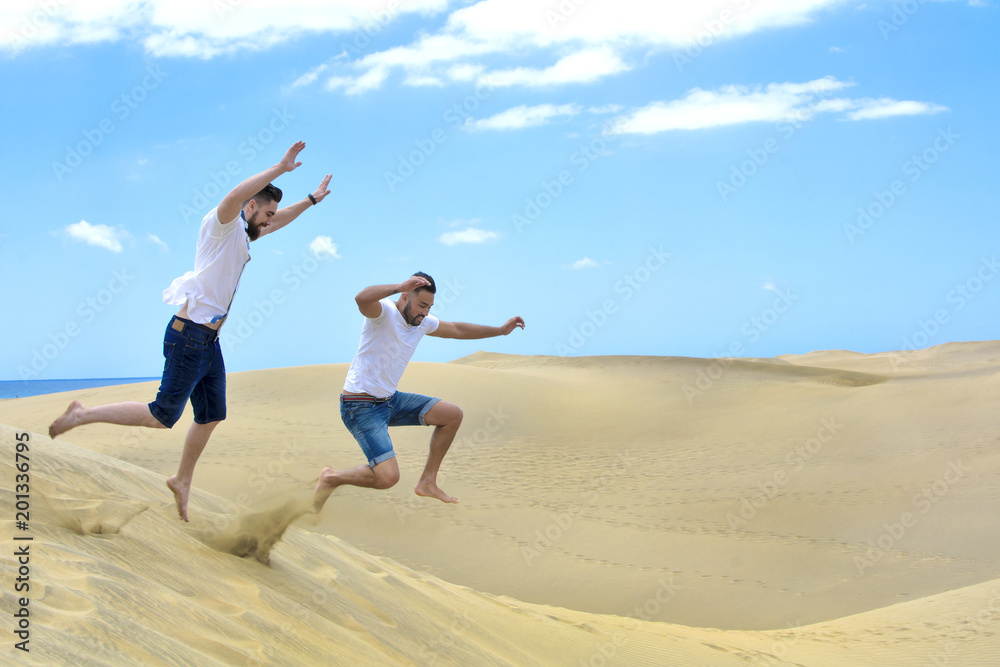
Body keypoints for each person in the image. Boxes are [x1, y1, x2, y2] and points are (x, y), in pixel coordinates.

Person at [48, 141, 332, 521]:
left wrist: (311, 200)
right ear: (250, 205)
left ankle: (182, 479)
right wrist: (280, 168)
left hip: (208, 342)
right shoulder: (221, 225)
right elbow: (234, 195)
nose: (269, 218)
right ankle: (83, 414)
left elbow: (278, 222)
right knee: (162, 415)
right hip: (189, 337)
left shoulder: (245, 235)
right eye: (265, 210)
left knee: (212, 414)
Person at [313, 272, 525, 511]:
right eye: (421, 305)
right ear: (405, 297)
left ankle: (427, 482)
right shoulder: (384, 313)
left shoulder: (422, 323)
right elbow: (361, 299)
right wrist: (396, 286)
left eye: (429, 307)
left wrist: (500, 331)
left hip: (390, 401)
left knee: (452, 415)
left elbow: (457, 329)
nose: (424, 312)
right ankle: (332, 478)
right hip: (359, 405)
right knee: (387, 478)